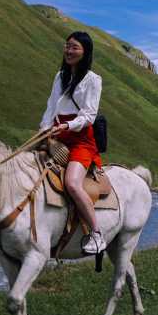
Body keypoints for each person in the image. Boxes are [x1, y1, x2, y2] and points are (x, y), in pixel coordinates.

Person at [39, 31, 106, 255]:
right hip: (56, 135)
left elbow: (89, 115)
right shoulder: (60, 76)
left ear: (85, 52)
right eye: (67, 46)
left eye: (74, 47)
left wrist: (67, 126)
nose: (69, 51)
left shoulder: (93, 80)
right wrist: (44, 132)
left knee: (72, 183)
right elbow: (51, 107)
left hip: (80, 139)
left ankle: (96, 234)